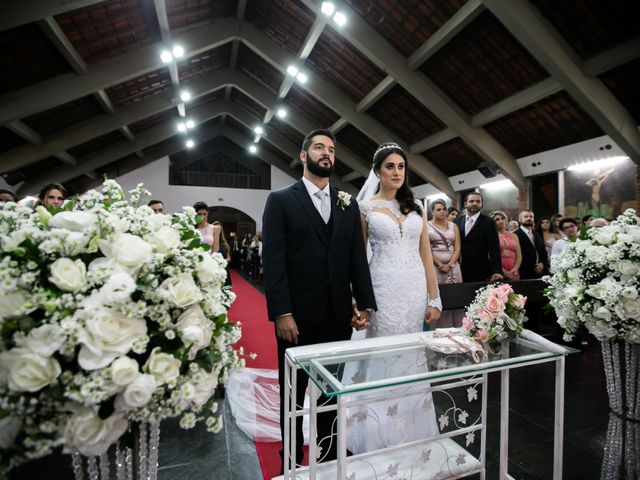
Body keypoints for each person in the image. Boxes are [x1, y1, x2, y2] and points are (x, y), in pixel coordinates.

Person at [262, 129, 376, 469]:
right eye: (318, 147)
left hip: (337, 315)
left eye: (331, 149)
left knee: (330, 395)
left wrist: (364, 303)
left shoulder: (347, 202)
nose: (326, 153)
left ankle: (327, 460)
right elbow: (274, 261)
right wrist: (282, 312)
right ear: (303, 155)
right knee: (293, 397)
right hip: (295, 318)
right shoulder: (281, 200)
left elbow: (356, 256)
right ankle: (292, 462)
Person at [346, 142, 442, 454]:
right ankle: (374, 430)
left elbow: (425, 254)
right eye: (390, 166)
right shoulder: (365, 208)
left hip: (413, 290)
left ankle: (414, 429)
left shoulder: (417, 206)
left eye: (401, 167)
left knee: (412, 356)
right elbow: (358, 258)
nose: (397, 172)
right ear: (377, 172)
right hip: (382, 289)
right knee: (383, 355)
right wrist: (359, 300)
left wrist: (434, 297)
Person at [429, 198, 463, 328]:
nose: (442, 212)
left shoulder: (453, 226)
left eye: (444, 209)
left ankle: (459, 328)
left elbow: (458, 247)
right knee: (440, 297)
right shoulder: (426, 226)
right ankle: (440, 329)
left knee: (456, 297)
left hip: (453, 267)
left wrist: (451, 264)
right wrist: (439, 264)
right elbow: (426, 249)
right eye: (438, 209)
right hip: (435, 267)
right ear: (432, 212)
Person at [454, 192, 503, 282]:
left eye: (478, 201)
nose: (475, 203)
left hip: (480, 271)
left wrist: (497, 271)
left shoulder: (489, 222)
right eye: (471, 201)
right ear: (465, 204)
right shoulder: (456, 222)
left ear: (481, 204)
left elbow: (494, 248)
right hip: (458, 269)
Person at [514, 210, 548, 279]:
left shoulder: (537, 234)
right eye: (526, 217)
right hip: (524, 272)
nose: (529, 218)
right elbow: (517, 254)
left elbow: (543, 251)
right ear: (520, 220)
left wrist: (542, 263)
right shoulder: (515, 234)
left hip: (540, 272)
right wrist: (533, 266)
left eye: (531, 217)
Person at [491, 210, 521, 280]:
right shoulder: (491, 236)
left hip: (514, 269)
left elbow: (519, 255)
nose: (501, 221)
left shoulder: (514, 235)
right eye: (497, 219)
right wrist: (504, 272)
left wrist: (515, 269)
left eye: (503, 218)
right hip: (497, 269)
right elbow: (490, 256)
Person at [213, 221, 232, 286]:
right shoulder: (210, 242)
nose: (217, 230)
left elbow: (229, 258)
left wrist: (223, 261)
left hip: (223, 269)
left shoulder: (224, 244)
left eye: (219, 229)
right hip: (213, 269)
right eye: (215, 229)